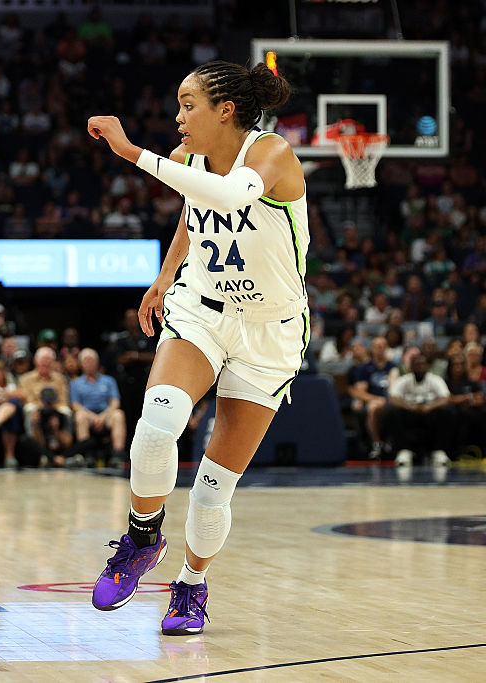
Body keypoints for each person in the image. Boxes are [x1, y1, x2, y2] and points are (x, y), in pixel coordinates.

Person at [86, 60, 304, 635]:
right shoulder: (187, 159)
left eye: (188, 105)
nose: (178, 117)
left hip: (269, 332)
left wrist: (130, 152)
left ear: (225, 111)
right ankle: (142, 537)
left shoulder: (272, 154)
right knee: (158, 421)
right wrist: (165, 276)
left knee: (212, 488)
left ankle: (191, 585)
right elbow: (194, 211)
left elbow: (229, 197)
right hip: (202, 310)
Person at [69, 348, 127, 466]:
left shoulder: (109, 380)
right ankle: (87, 455)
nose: (89, 363)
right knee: (80, 416)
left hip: (106, 415)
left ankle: (117, 454)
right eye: (86, 361)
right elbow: (75, 405)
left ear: (97, 362)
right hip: (87, 415)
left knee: (118, 415)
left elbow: (115, 402)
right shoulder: (75, 383)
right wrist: (94, 417)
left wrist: (102, 417)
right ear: (81, 364)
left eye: (91, 360)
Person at [347, 336, 398, 459]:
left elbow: (394, 389)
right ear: (372, 349)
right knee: (373, 408)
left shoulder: (392, 367)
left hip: (390, 400)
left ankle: (389, 442)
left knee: (390, 408)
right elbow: (360, 392)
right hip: (373, 400)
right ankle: (377, 443)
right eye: (377, 346)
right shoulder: (364, 368)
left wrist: (386, 400)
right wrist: (375, 399)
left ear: (386, 348)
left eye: (382, 346)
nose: (380, 349)